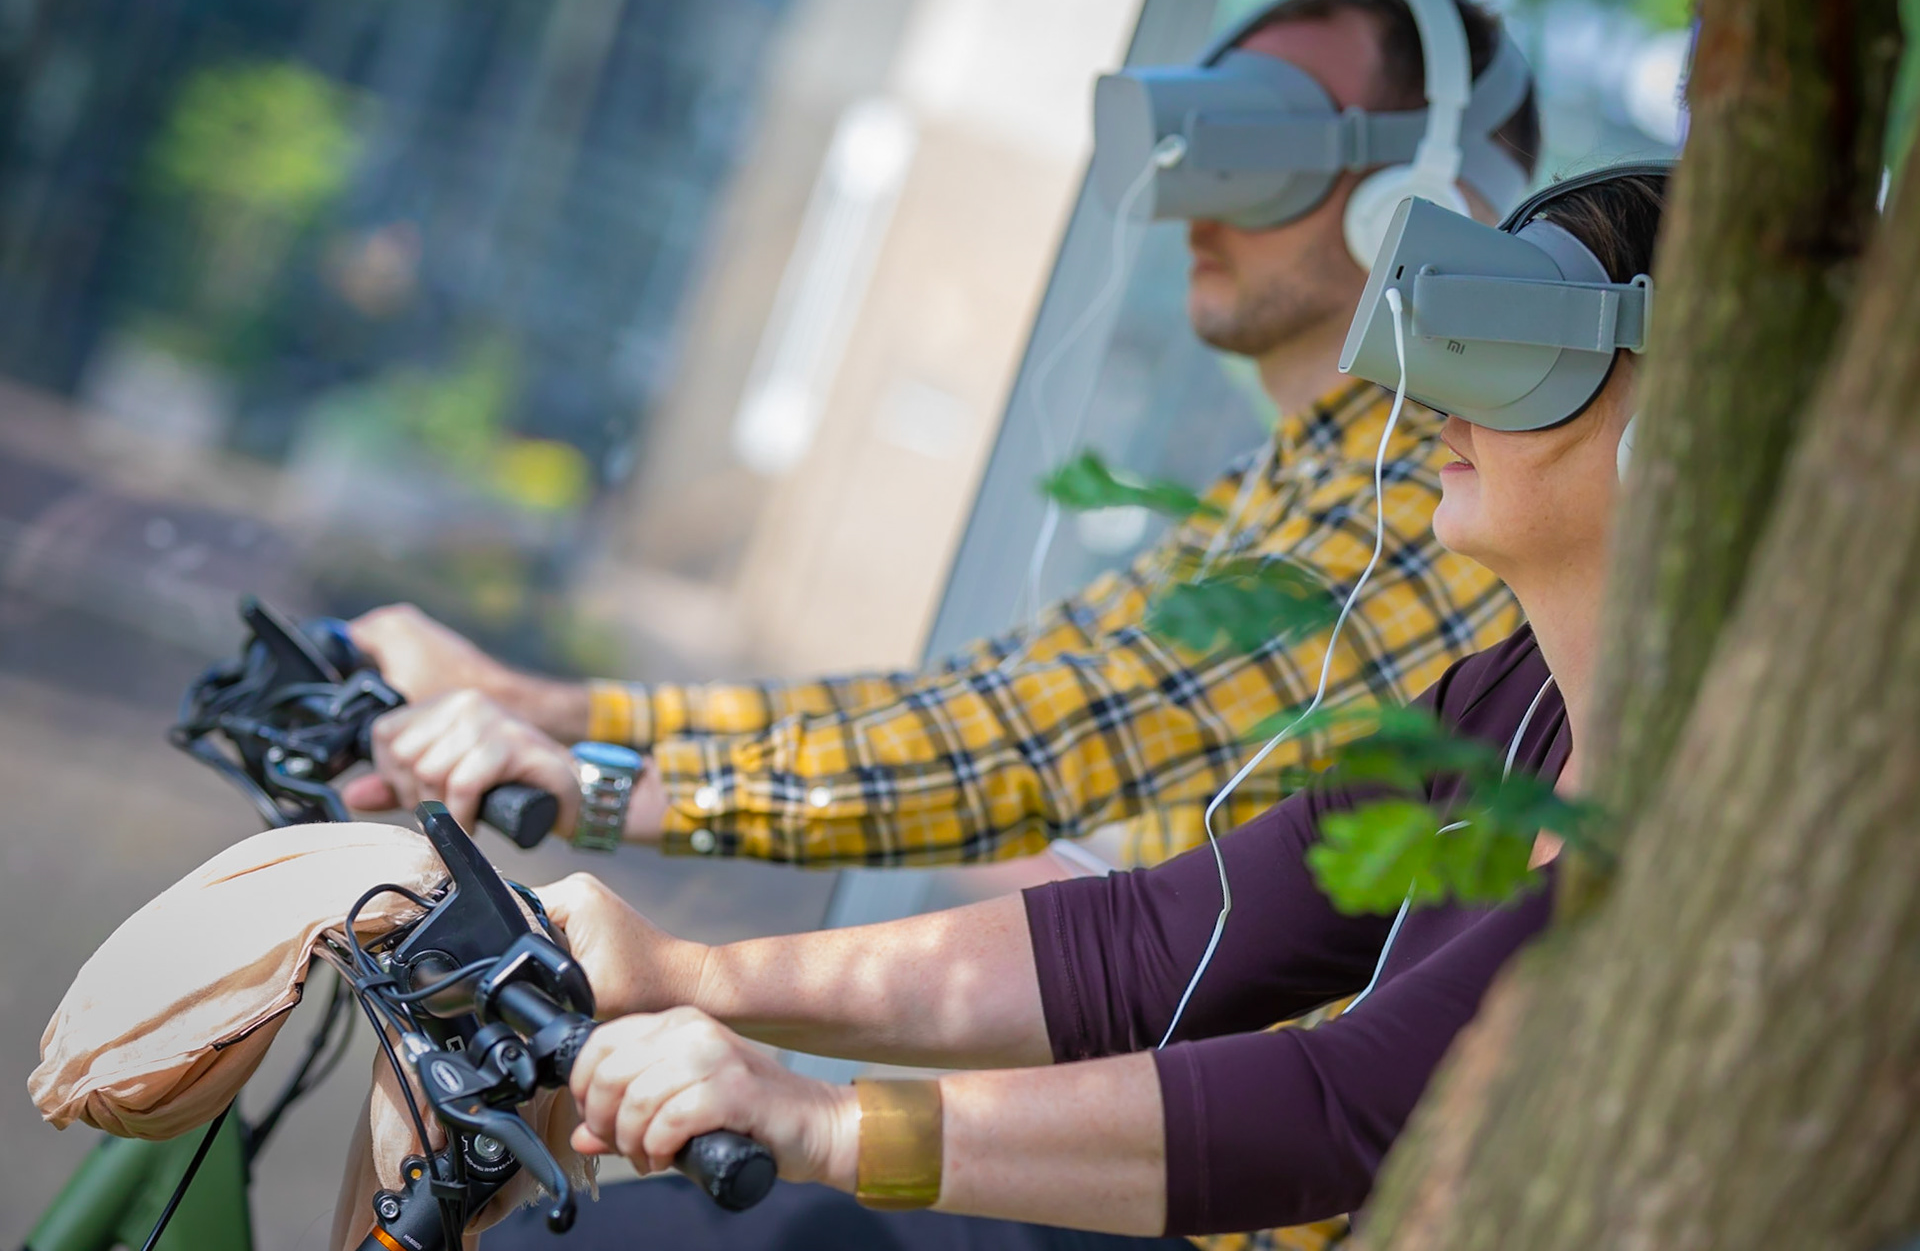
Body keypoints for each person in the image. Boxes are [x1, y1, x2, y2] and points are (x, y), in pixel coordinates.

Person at [470, 166, 1670, 1248]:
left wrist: (827, 1122)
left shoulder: (1683, 811)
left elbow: (1344, 1108)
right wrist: (686, 970)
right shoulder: (1510, 699)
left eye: (1525, 360)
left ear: (1676, 426)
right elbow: (1150, 941)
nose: (1438, 410)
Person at [343, 0, 1538, 878]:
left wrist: (602, 788)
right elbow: (987, 691)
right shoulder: (1298, 472)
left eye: (1265, 145)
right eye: (1203, 137)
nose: (1198, 193)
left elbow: (1051, 737)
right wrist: (541, 707)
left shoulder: (1439, 490)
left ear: (1423, 194)